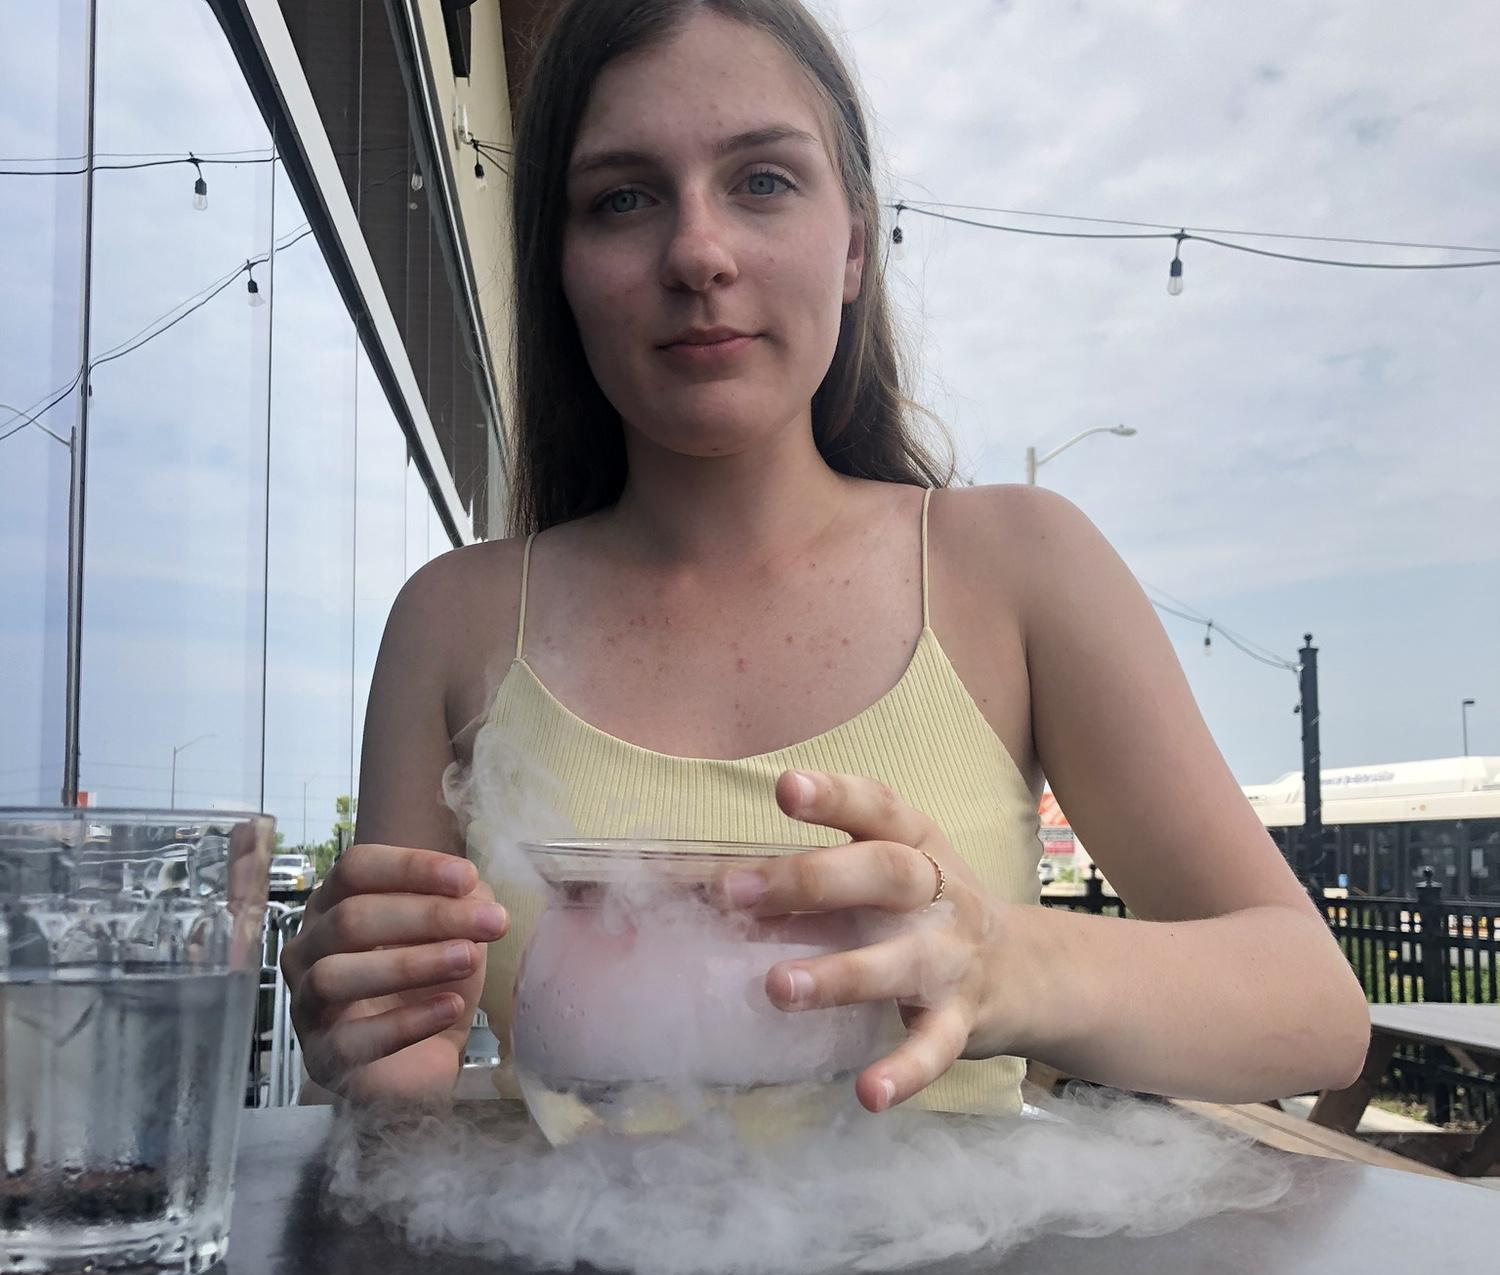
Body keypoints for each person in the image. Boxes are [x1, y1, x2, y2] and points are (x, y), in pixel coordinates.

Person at [281, 0, 1368, 1115]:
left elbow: (1313, 1012)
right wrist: (372, 1044)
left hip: (957, 1243)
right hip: (549, 1235)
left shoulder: (1016, 568)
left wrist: (1005, 961)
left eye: (762, 181)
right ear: (558, 266)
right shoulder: (454, 622)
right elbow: (394, 1099)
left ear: (853, 245)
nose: (698, 253)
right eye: (622, 198)